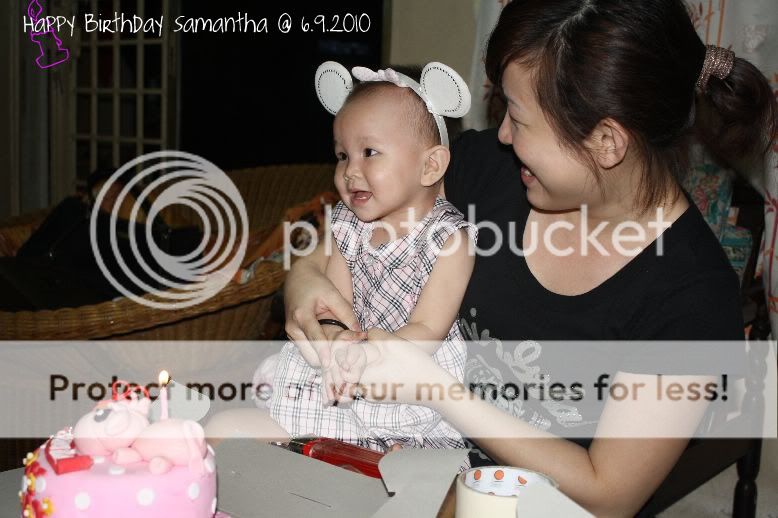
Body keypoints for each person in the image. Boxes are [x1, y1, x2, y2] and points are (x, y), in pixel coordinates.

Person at [280, 0, 777, 516]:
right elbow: (360, 222)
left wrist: (436, 389)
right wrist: (306, 277)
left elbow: (608, 495)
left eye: (517, 118)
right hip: (395, 454)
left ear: (606, 141)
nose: (502, 135)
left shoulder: (692, 296)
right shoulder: (489, 171)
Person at [263, 62, 478, 453]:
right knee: (263, 416)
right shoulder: (348, 226)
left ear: (430, 165)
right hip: (349, 368)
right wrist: (335, 339)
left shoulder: (449, 239)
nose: (350, 171)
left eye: (369, 152)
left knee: (406, 468)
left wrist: (369, 355)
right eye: (342, 155)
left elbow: (428, 329)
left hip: (407, 381)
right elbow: (335, 304)